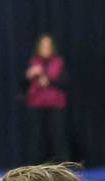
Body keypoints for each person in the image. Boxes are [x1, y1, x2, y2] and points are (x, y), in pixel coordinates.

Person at [24, 34, 69, 163]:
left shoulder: (59, 62)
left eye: (48, 45)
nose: (45, 48)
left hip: (55, 106)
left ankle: (61, 172)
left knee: (58, 140)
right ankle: (37, 172)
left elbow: (66, 83)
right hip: (37, 106)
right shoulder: (33, 63)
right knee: (37, 141)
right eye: (43, 45)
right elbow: (23, 88)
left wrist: (48, 80)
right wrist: (28, 76)